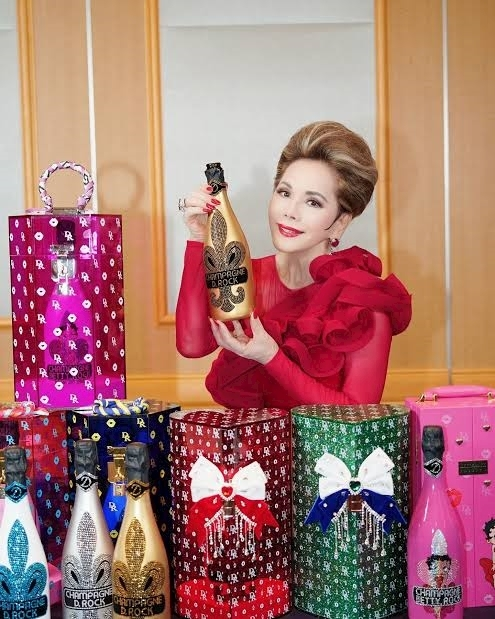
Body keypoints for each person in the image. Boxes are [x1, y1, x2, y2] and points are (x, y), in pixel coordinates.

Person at [175, 121, 411, 410]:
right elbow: (193, 345)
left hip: (327, 442)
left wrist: (270, 357)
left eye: (313, 202)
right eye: (285, 193)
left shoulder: (361, 301)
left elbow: (357, 413)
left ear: (340, 222)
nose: (290, 212)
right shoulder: (246, 275)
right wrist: (199, 238)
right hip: (252, 440)